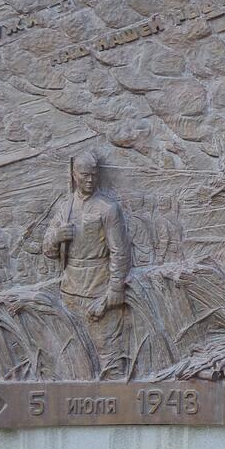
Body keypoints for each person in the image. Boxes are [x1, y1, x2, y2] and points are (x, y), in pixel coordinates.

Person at [43, 151, 132, 379]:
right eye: (85, 175)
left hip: (98, 289)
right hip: (70, 290)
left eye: (94, 175)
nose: (90, 180)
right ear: (74, 175)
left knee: (108, 351)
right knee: (75, 352)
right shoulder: (65, 208)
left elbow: (120, 251)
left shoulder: (108, 208)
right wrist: (57, 237)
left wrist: (115, 289)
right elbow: (48, 251)